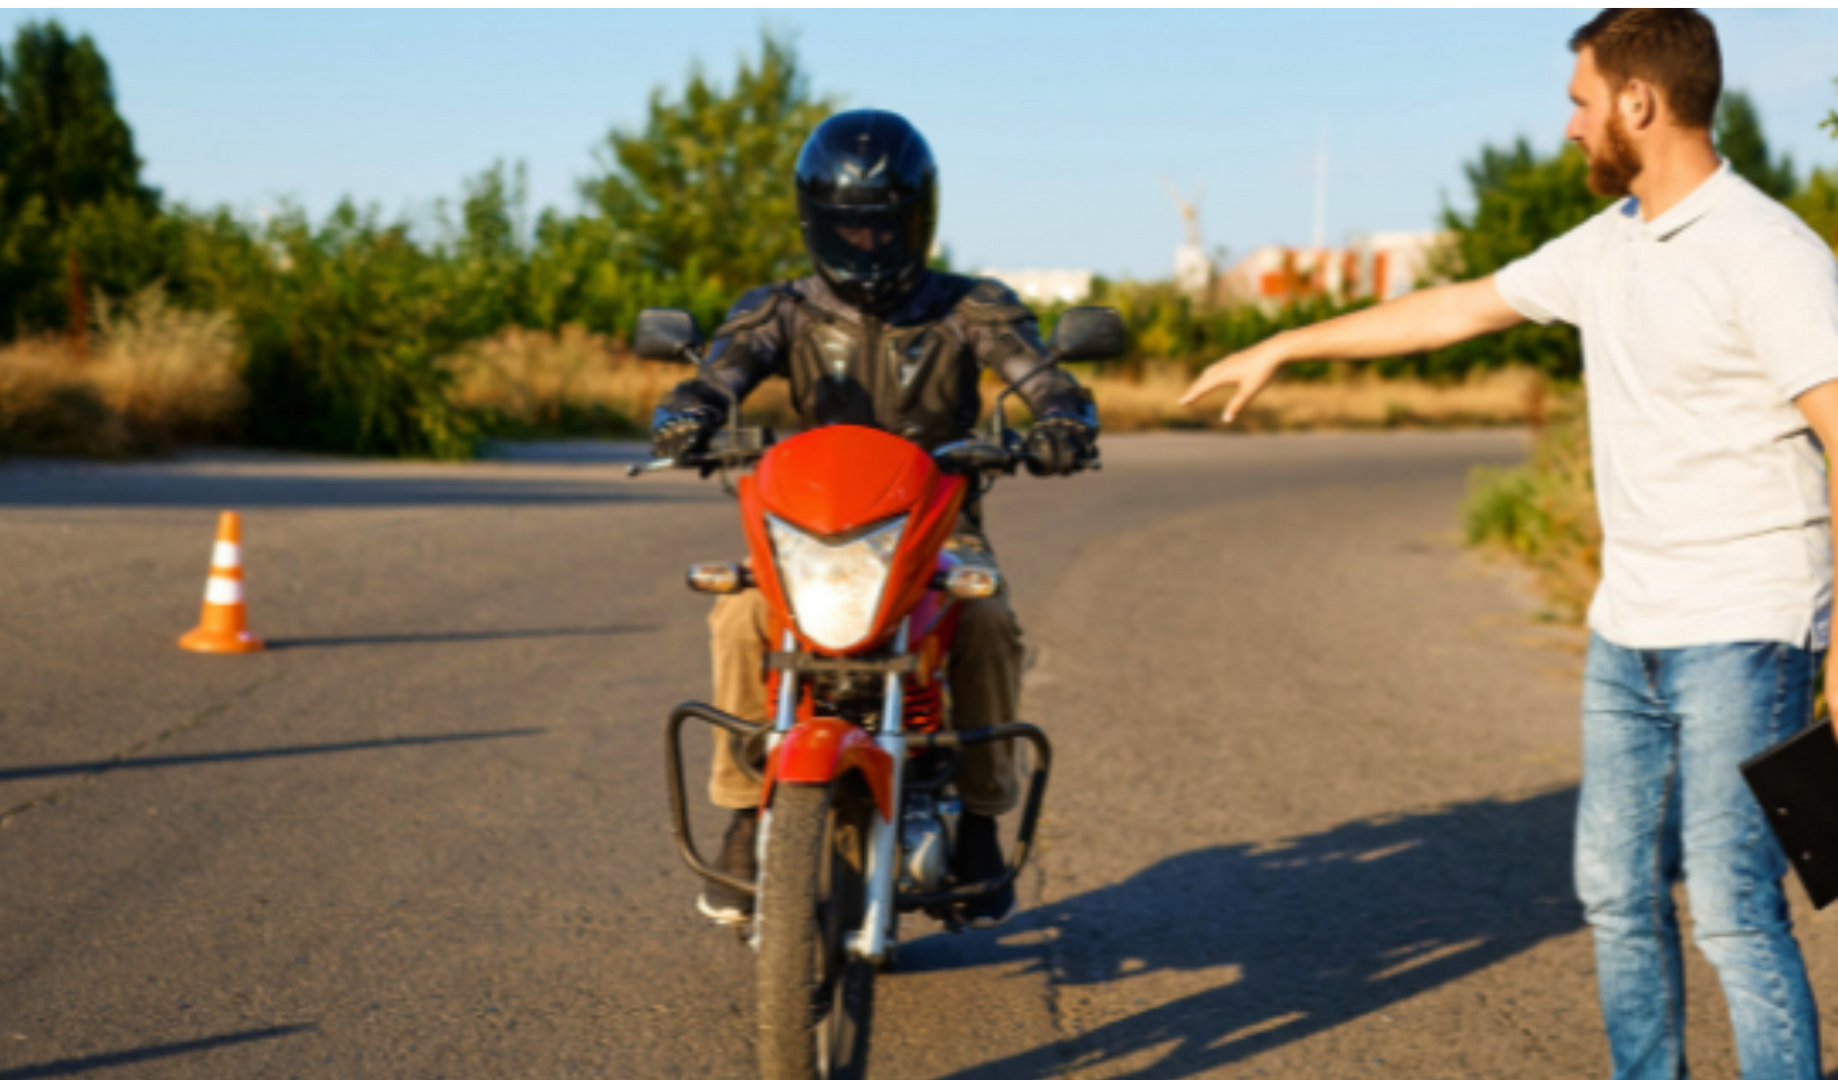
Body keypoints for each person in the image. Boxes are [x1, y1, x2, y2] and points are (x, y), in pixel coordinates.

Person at [1184, 7, 1837, 1079]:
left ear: (1640, 100)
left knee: (1730, 908)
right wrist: (1288, 342)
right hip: (1627, 630)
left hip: (1750, 627)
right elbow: (1454, 310)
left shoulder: (1767, 251)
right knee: (1616, 897)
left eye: (1582, 100)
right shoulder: (1612, 240)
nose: (1571, 125)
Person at [650, 109, 1101, 930]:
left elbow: (1039, 377)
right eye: (849, 227)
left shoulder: (971, 307)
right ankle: (746, 811)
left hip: (935, 523)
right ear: (817, 222)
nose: (867, 244)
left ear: (917, 220)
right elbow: (720, 373)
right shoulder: (779, 309)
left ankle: (981, 817)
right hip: (810, 524)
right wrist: (687, 412)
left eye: (884, 225)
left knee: (987, 617)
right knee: (739, 614)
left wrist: (1065, 419)